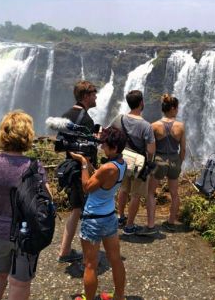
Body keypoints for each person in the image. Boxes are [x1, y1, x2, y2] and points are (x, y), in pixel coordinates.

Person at [0, 110, 51, 300]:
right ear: (27, 136)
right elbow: (47, 198)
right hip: (26, 233)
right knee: (20, 282)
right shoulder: (33, 166)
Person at [69, 127, 127, 300]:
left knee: (90, 264)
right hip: (109, 216)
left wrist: (83, 163)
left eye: (105, 146)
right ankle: (119, 296)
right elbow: (101, 180)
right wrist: (92, 166)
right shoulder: (121, 163)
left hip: (93, 219)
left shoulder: (108, 167)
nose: (102, 148)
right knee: (115, 259)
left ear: (114, 147)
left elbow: (87, 187)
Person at [58, 80, 98, 263]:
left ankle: (65, 250)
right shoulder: (86, 120)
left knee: (75, 210)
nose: (96, 97)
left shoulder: (65, 115)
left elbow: (62, 144)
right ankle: (88, 258)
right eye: (93, 94)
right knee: (89, 213)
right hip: (82, 172)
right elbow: (87, 152)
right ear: (85, 97)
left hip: (70, 169)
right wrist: (92, 172)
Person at [109, 90, 156, 235]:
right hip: (138, 165)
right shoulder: (146, 126)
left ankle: (120, 217)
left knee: (123, 189)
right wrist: (150, 163)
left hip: (122, 161)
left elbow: (111, 134)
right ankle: (129, 226)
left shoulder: (119, 118)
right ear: (141, 103)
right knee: (136, 194)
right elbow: (150, 150)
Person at [147, 94, 186, 231]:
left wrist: (149, 162)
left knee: (151, 192)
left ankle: (151, 224)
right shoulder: (180, 126)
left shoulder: (154, 126)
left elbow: (151, 148)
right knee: (174, 193)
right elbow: (183, 149)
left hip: (159, 160)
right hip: (174, 159)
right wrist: (179, 163)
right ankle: (171, 222)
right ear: (173, 108)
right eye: (177, 108)